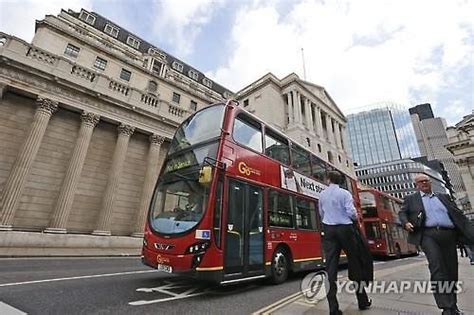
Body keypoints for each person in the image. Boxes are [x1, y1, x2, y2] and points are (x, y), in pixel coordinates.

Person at [399, 174, 474, 315]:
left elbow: (457, 213)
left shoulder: (443, 197)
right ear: (416, 185)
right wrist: (406, 223)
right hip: (428, 235)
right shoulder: (411, 199)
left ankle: (453, 306)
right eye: (421, 182)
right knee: (437, 267)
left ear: (430, 182)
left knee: (451, 270)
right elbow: (402, 213)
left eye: (426, 180)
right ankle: (446, 307)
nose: (424, 183)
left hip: (449, 235)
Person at [319, 171, 372, 315]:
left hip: (329, 230)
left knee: (330, 268)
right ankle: (362, 301)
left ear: (328, 179)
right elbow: (352, 213)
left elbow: (321, 214)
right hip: (345, 229)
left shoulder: (322, 195)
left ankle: (333, 309)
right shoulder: (345, 194)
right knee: (355, 262)